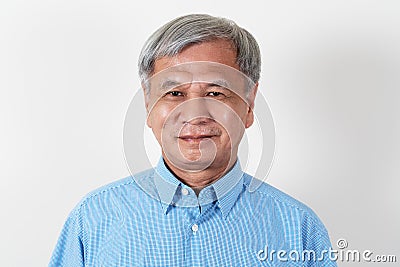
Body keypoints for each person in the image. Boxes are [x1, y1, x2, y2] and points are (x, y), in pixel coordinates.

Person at [49, 14, 337, 266]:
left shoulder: (298, 229)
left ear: (249, 105)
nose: (195, 114)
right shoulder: (92, 220)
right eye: (174, 93)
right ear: (148, 104)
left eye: (215, 93)